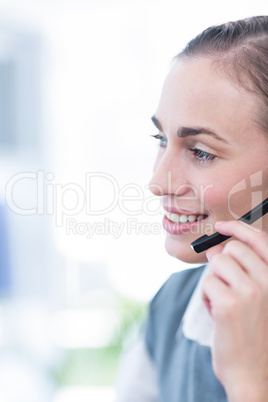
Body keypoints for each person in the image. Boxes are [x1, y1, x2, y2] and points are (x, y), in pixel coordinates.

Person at [116, 16, 268, 402]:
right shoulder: (173, 309)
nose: (158, 182)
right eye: (161, 139)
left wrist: (248, 384)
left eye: (201, 152)